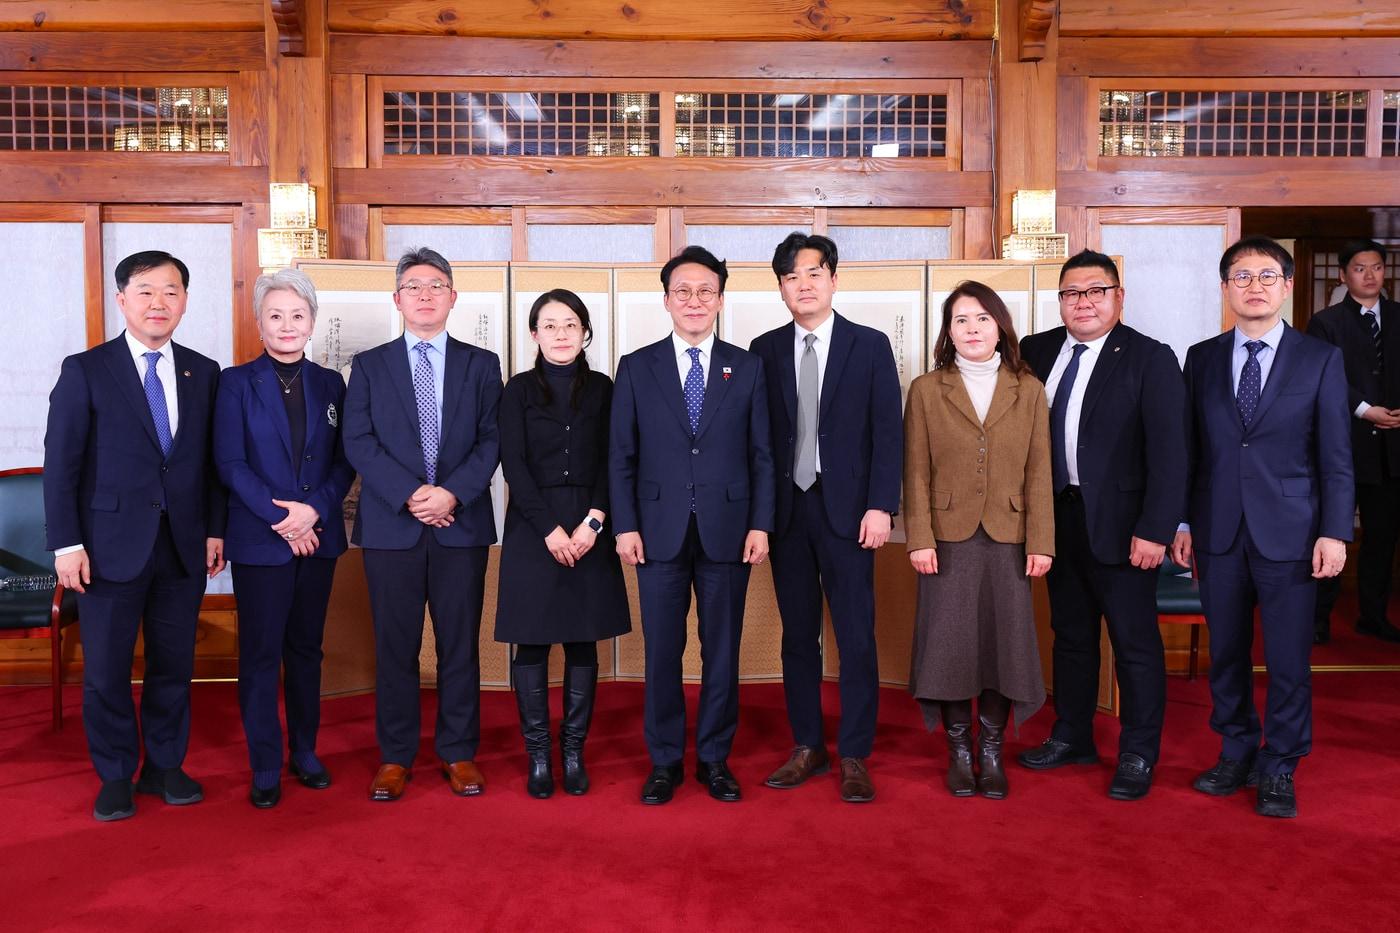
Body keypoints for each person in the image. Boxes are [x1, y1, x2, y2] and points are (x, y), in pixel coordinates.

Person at [1172, 236, 1353, 819]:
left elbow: (1335, 454)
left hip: (1294, 534)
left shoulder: (1319, 359)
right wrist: (1181, 520)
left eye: (1266, 276)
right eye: (1241, 277)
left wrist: (1335, 530)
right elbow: (1189, 451)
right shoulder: (1200, 357)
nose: (1254, 286)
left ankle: (1280, 764)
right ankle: (1236, 751)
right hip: (1217, 531)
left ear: (1288, 286)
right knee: (1225, 653)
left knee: (1288, 659)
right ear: (1225, 289)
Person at [43, 250, 227, 822]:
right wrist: (66, 543)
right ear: (121, 300)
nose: (158, 303)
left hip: (182, 546)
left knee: (173, 665)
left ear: (185, 302)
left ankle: (166, 767)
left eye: (171, 292)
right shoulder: (87, 369)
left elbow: (211, 464)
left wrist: (215, 530)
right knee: (105, 671)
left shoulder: (204, 371)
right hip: (105, 548)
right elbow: (61, 464)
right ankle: (116, 773)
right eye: (145, 291)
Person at [1016, 250, 1187, 801]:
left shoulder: (1149, 358)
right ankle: (1072, 735)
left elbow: (1171, 453)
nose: (1083, 301)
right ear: (1059, 300)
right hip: (1056, 519)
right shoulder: (1035, 351)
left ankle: (1138, 750)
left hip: (1125, 526)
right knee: (1070, 637)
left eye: (1096, 290)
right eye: (1071, 293)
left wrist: (1157, 528)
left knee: (1135, 644)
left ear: (1118, 296)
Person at [610, 245, 775, 805]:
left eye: (706, 290)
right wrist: (625, 525)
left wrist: (761, 523)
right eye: (683, 291)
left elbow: (762, 456)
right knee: (661, 650)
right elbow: (621, 456)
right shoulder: (637, 366)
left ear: (721, 299)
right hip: (655, 530)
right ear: (666, 300)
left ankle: (713, 758)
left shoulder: (747, 366)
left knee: (721, 649)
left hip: (730, 529)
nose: (695, 300)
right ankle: (663, 762)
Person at [343, 247, 502, 802]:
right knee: (396, 647)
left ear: (454, 297)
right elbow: (357, 441)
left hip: (461, 524)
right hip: (393, 526)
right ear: (397, 299)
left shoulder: (482, 365)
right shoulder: (369, 364)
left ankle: (459, 752)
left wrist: (451, 493)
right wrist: (413, 494)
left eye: (437, 285)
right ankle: (395, 756)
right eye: (414, 286)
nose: (426, 294)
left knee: (460, 645)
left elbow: (491, 441)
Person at [749, 233, 902, 804]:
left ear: (834, 279)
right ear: (781, 288)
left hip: (851, 513)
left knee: (857, 636)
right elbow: (757, 443)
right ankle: (807, 745)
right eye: (791, 277)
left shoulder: (870, 345)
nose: (803, 285)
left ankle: (855, 752)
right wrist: (758, 518)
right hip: (788, 512)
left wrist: (882, 505)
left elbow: (889, 432)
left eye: (813, 273)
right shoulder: (761, 351)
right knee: (798, 636)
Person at [903, 281, 1053, 799]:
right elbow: (915, 472)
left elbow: (1039, 471)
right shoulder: (927, 389)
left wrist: (1042, 541)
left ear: (1000, 326)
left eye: (982, 319)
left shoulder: (1028, 388)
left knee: (1000, 644)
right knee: (950, 645)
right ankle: (959, 750)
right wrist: (919, 538)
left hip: (1011, 537)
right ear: (949, 330)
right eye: (961, 320)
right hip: (946, 538)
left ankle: (992, 751)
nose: (972, 329)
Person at [214, 268, 355, 808]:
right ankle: (266, 763)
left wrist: (312, 512)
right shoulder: (234, 382)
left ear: (313, 321)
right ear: (259, 322)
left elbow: (344, 464)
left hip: (316, 538)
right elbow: (230, 463)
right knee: (259, 654)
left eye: (298, 315)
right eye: (276, 315)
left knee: (306, 650)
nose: (287, 325)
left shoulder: (330, 384)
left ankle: (306, 752)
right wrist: (284, 519)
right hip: (261, 539)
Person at [495, 289, 629, 799]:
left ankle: (572, 751)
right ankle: (538, 757)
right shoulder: (517, 390)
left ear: (585, 332)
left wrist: (594, 521)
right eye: (549, 325)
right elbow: (515, 465)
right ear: (534, 334)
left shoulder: (603, 388)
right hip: (534, 527)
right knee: (530, 642)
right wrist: (550, 528)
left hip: (590, 525)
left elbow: (615, 458)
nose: (560, 334)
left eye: (570, 324)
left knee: (581, 639)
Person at [1307, 239, 1400, 644]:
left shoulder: (1398, 317)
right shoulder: (1326, 323)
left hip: (1393, 451)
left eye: (1377, 267)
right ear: (1345, 275)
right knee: (1332, 531)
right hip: (1342, 446)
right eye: (1360, 268)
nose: (1369, 275)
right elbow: (1321, 378)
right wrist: (1363, 409)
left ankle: (1373, 616)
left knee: (1382, 538)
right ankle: (1318, 618)